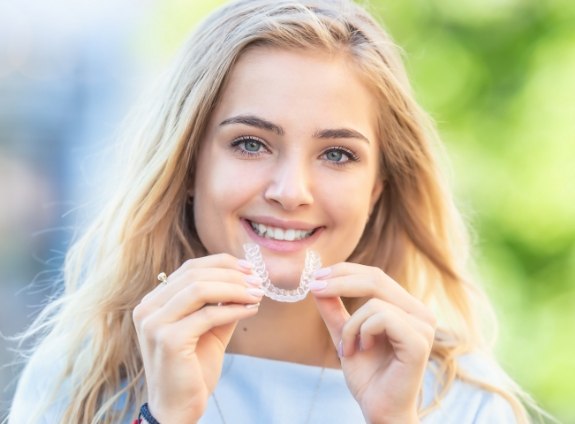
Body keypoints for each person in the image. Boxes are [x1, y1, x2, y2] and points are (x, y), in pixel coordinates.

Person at [9, 0, 544, 423]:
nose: (291, 191)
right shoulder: (79, 380)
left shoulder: (464, 403)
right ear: (188, 165)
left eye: (337, 154)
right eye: (250, 144)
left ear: (378, 188)